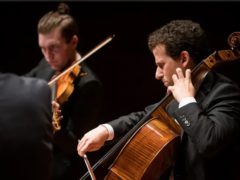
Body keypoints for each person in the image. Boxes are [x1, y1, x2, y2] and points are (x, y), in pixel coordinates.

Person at [77, 19, 240, 180]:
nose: (157, 74)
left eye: (161, 65)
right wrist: (106, 130)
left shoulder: (225, 92)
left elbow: (209, 142)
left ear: (183, 59)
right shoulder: (178, 92)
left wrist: (186, 101)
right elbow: (148, 118)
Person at [25, 3, 103, 180]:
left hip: (61, 165)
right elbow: (25, 82)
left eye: (54, 48)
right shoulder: (48, 62)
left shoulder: (88, 84)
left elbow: (75, 145)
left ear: (73, 42)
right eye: (42, 49)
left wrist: (54, 127)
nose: (47, 56)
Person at [0, 73, 53, 180]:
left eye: (55, 53)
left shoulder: (89, 84)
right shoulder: (39, 86)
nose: (49, 56)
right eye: (44, 54)